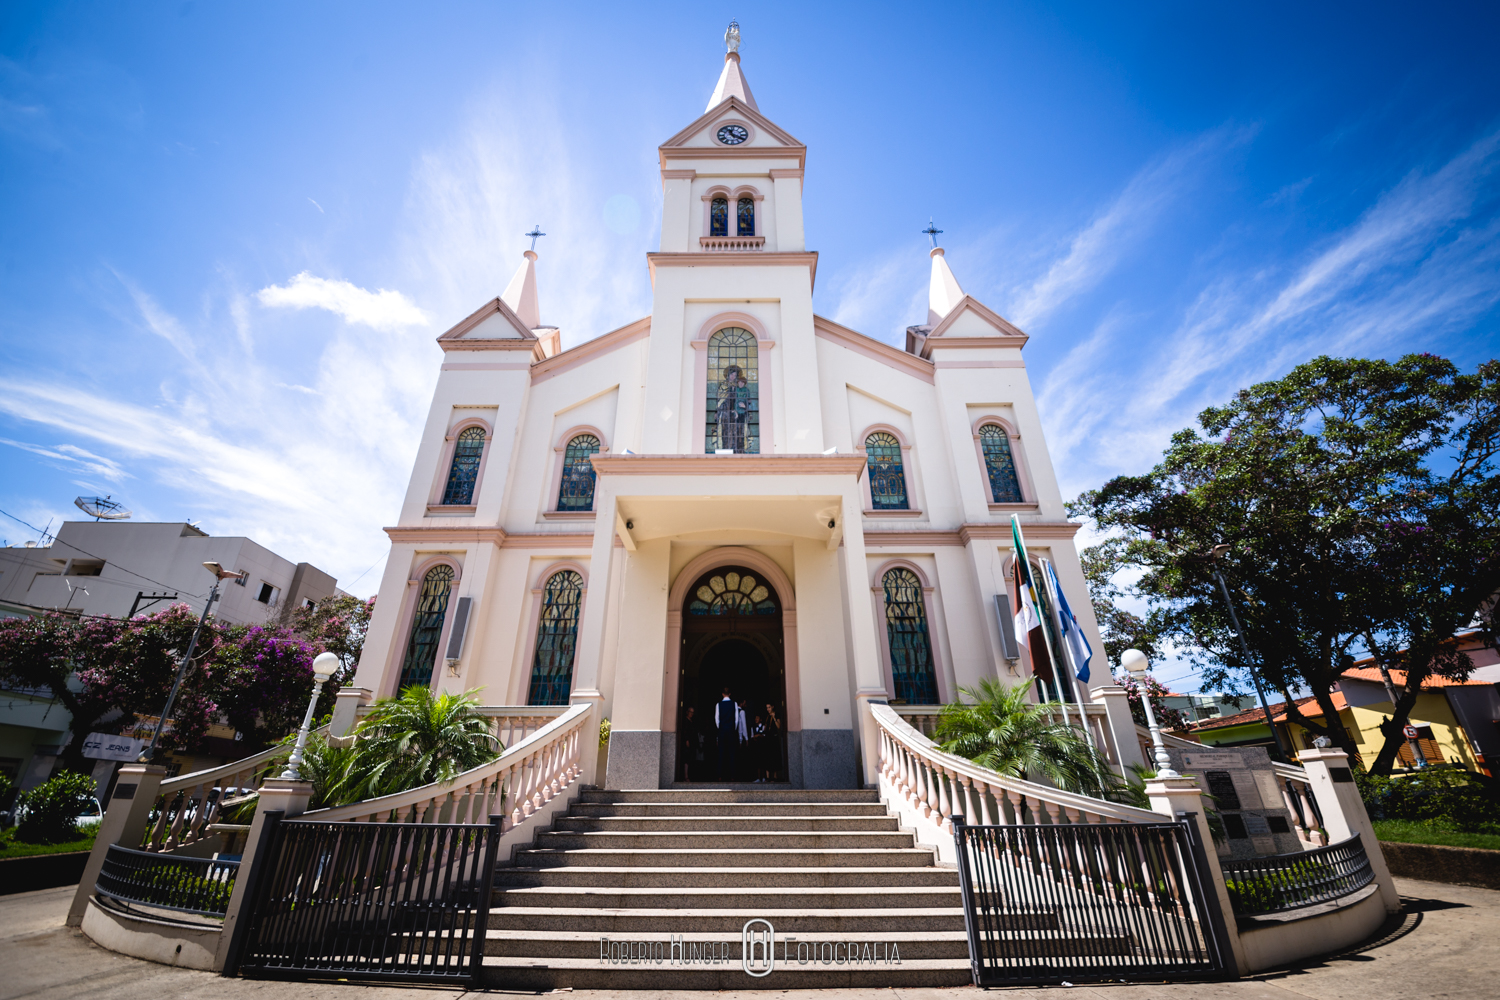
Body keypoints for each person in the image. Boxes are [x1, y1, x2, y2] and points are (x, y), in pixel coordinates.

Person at [715, 688, 737, 781]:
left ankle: (720, 775)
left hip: (722, 730)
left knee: (721, 753)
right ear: (730, 694)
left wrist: (720, 728)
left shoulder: (718, 704)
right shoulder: (734, 704)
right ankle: (732, 776)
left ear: (723, 694)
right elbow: (736, 720)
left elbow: (716, 718)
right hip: (731, 730)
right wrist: (732, 728)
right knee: (732, 753)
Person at [762, 703, 783, 782]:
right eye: (767, 708)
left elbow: (778, 726)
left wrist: (774, 718)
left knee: (774, 756)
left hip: (774, 738)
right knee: (767, 756)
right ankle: (767, 777)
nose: (768, 709)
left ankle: (774, 777)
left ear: (772, 707)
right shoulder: (767, 716)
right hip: (767, 738)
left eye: (769, 707)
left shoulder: (776, 714)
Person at [681, 706, 697, 782]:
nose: (692, 714)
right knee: (686, 759)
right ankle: (685, 776)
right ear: (687, 712)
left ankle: (690, 775)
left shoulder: (692, 721)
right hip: (687, 742)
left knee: (690, 758)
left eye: (693, 712)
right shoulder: (685, 721)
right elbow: (685, 731)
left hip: (692, 742)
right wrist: (687, 740)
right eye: (691, 712)